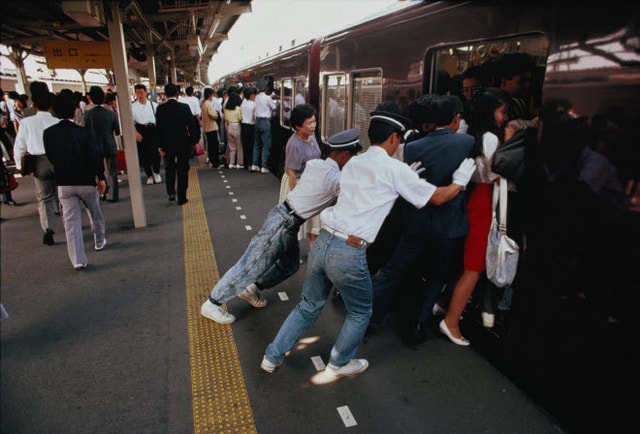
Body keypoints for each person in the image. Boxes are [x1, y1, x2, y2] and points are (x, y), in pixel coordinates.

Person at [261, 107, 476, 381]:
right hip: (348, 251)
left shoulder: (354, 162)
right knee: (361, 310)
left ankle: (272, 355)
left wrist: (405, 174)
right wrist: (459, 182)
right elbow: (437, 197)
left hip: (324, 240)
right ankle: (339, 363)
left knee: (308, 305)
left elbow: (374, 189)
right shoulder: (395, 169)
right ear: (394, 138)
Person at [200, 128, 362, 324]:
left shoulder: (316, 164)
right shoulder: (335, 179)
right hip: (284, 222)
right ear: (345, 155)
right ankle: (212, 302)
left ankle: (251, 288)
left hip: (285, 218)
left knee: (289, 264)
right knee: (250, 264)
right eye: (354, 155)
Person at [369, 95, 475, 344]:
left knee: (394, 270)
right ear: (456, 119)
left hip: (415, 224)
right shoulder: (467, 142)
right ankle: (418, 321)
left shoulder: (413, 147)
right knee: (438, 276)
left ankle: (369, 317)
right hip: (448, 228)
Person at [439, 87, 517, 344]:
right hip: (483, 203)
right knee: (474, 268)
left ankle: (442, 304)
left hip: (470, 199)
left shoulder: (468, 134)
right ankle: (451, 322)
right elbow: (500, 172)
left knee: (463, 263)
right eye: (502, 111)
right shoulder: (492, 139)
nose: (504, 117)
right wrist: (509, 142)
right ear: (491, 111)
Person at [43, 91, 107, 270]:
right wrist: (101, 177)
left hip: (64, 183)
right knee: (94, 212)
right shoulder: (84, 133)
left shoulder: (48, 134)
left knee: (71, 222)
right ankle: (99, 240)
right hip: (86, 181)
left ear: (54, 112)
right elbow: (95, 156)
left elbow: (51, 156)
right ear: (73, 112)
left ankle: (78, 260)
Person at [13, 81, 59, 245]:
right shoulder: (57, 122)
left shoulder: (26, 123)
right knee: (63, 194)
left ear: (34, 106)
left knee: (44, 198)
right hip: (58, 161)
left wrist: (20, 167)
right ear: (50, 106)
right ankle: (69, 223)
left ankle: (48, 230)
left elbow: (19, 147)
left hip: (39, 163)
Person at [279, 104, 322, 248]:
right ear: (298, 126)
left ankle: (313, 251)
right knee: (294, 222)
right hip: (296, 182)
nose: (313, 125)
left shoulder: (312, 135)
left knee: (315, 221)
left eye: (314, 121)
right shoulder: (294, 144)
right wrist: (294, 195)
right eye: (309, 123)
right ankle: (291, 254)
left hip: (311, 181)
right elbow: (291, 172)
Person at [155, 83, 199, 205]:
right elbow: (192, 126)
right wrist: (194, 141)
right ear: (177, 94)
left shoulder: (160, 109)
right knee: (182, 169)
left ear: (165, 94)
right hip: (183, 143)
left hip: (167, 144)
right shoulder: (184, 107)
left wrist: (159, 145)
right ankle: (182, 196)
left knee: (169, 168)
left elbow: (159, 129)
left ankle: (171, 193)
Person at [84, 86, 121, 202]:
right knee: (113, 171)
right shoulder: (111, 114)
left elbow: (85, 132)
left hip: (94, 147)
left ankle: (102, 193)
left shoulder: (88, 115)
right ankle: (114, 195)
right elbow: (118, 131)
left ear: (91, 98)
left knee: (98, 172)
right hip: (109, 144)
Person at [132, 83, 161, 185]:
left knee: (156, 153)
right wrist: (135, 133)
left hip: (152, 130)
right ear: (135, 94)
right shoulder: (132, 106)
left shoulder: (154, 105)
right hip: (140, 130)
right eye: (137, 93)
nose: (140, 95)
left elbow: (158, 120)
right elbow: (131, 123)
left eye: (142, 92)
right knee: (143, 155)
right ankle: (149, 175)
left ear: (146, 93)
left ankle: (156, 172)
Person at [251, 78, 277, 173]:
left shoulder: (256, 97)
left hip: (257, 122)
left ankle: (254, 165)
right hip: (265, 122)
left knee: (257, 144)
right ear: (266, 88)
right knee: (266, 145)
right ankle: (263, 166)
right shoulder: (267, 98)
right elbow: (274, 108)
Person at [201, 87, 224, 169]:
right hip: (211, 127)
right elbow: (213, 115)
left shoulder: (204, 104)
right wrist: (217, 115)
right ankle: (216, 162)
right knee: (214, 145)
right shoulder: (208, 104)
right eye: (212, 95)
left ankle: (212, 160)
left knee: (210, 146)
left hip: (207, 127)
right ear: (209, 95)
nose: (213, 97)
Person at [223, 91, 244, 169]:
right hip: (236, 126)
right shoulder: (238, 108)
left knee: (231, 147)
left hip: (229, 126)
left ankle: (231, 163)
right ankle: (239, 163)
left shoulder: (226, 109)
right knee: (239, 146)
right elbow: (240, 118)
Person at [240, 87, 256, 171]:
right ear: (251, 95)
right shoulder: (253, 104)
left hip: (243, 126)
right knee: (252, 145)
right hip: (251, 126)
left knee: (245, 145)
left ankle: (246, 163)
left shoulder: (243, 104)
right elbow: (255, 116)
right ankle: (251, 163)